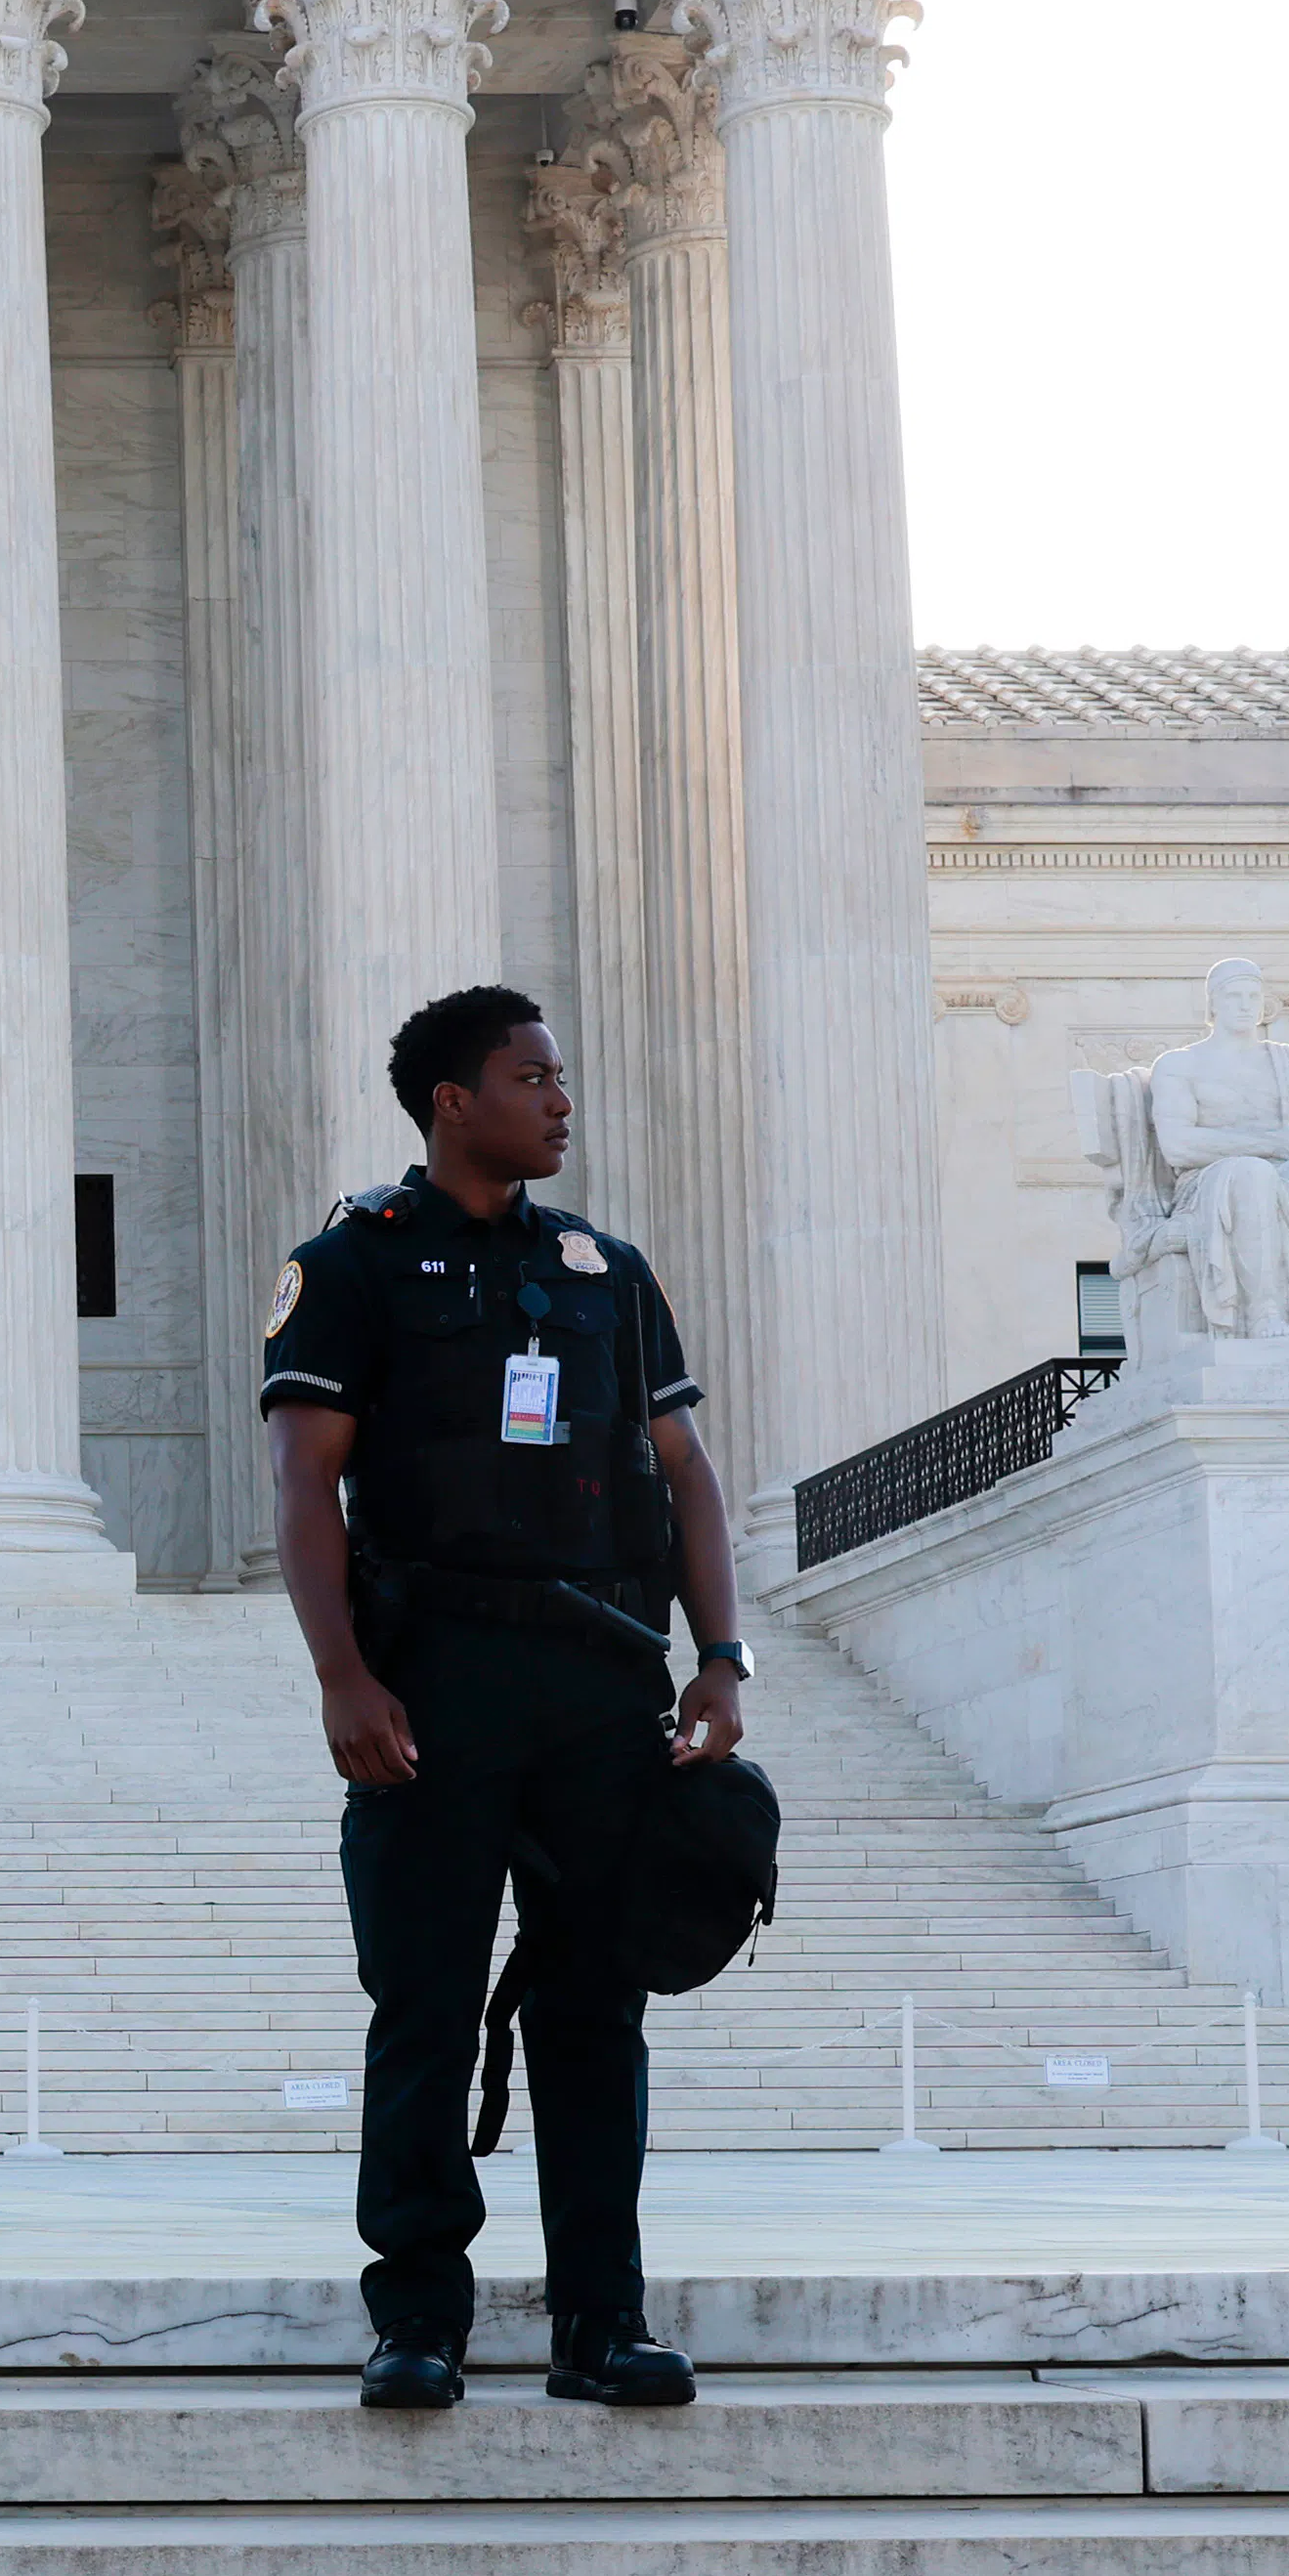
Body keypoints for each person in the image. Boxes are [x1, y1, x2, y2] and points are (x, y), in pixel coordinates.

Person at [262, 986, 748, 2418]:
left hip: (603, 1677)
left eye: (560, 1075)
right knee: (422, 2005)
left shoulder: (607, 1270)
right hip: (435, 1677)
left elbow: (683, 1476)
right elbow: (303, 1480)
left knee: (596, 2009)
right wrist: (341, 1671)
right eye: (530, 1076)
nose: (559, 1099)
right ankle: (416, 2317)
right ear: (449, 1101)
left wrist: (719, 1661)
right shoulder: (353, 1261)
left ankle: (600, 2321)